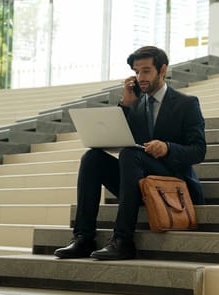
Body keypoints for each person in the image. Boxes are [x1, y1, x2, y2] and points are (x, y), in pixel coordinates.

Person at [55, 46, 206, 260]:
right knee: (92, 158)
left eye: (146, 71)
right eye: (136, 72)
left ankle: (123, 240)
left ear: (162, 70)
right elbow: (121, 137)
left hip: (172, 183)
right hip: (138, 182)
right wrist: (125, 105)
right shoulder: (134, 105)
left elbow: (199, 151)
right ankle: (83, 238)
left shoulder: (187, 104)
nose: (140, 77)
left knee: (129, 155)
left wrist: (167, 148)